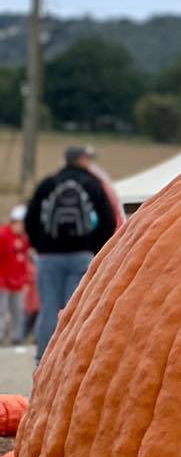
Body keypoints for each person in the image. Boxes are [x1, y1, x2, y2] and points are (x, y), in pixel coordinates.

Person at [25, 144, 120, 360]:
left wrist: (40, 246)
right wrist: (94, 249)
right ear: (83, 160)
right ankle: (69, 358)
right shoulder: (93, 184)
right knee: (74, 309)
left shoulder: (48, 184)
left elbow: (31, 219)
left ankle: (43, 358)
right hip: (81, 255)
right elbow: (107, 219)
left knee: (49, 307)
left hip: (49, 256)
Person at [0, 206, 32, 347]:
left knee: (18, 311)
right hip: (3, 280)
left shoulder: (24, 239)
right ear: (14, 222)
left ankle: (17, 336)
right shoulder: (3, 236)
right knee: (1, 310)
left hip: (17, 281)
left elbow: (23, 260)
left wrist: (25, 280)